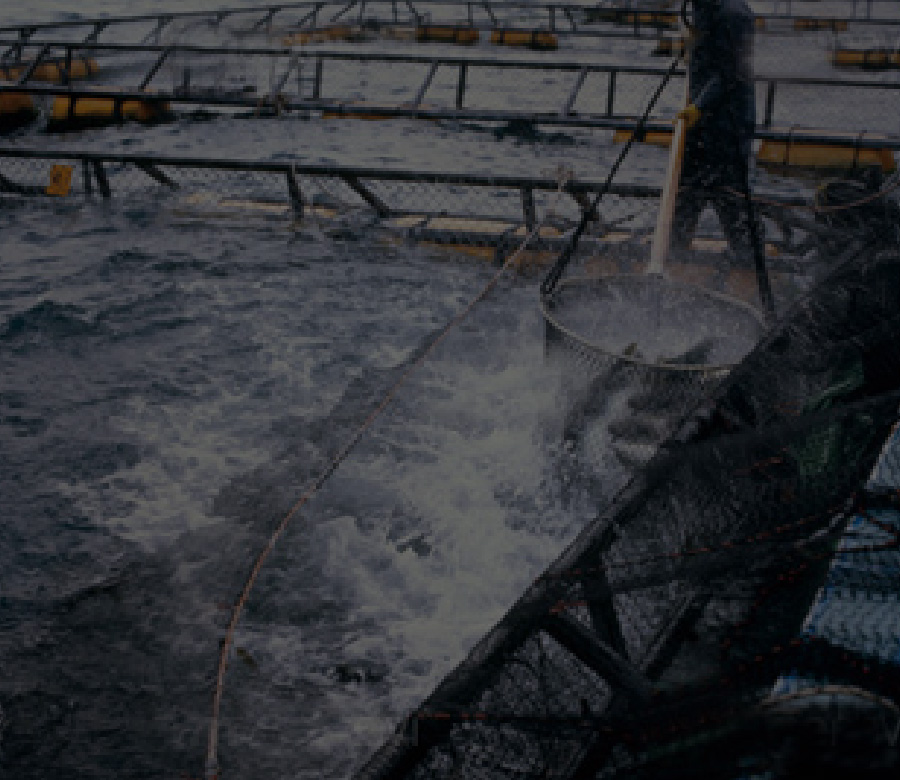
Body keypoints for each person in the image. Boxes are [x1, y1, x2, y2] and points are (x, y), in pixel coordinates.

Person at [671, 0, 762, 263]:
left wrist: (699, 106)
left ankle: (748, 265)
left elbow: (731, 72)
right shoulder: (705, 9)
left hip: (728, 126)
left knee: (730, 196)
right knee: (687, 193)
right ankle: (675, 257)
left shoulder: (734, 15)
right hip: (702, 125)